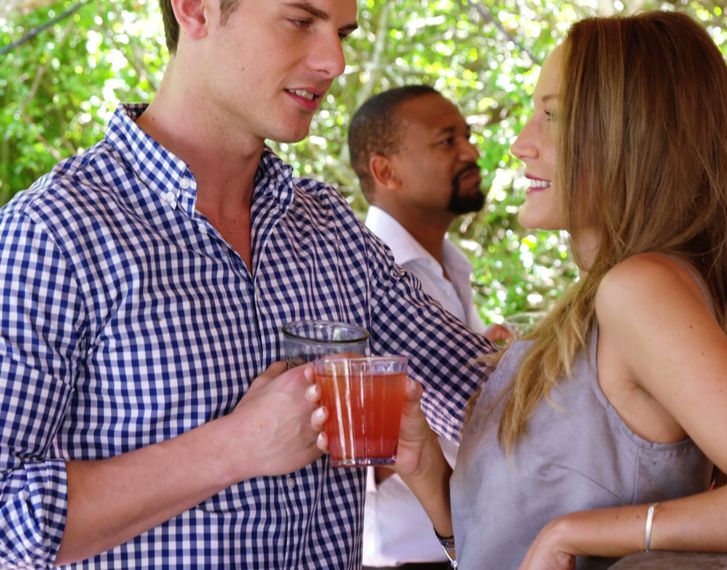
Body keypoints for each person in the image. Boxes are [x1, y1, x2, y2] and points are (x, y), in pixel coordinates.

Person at [0, 1, 492, 567]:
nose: (333, 61)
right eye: (301, 21)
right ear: (196, 11)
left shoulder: (327, 227)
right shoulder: (52, 233)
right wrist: (233, 447)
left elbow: (485, 397)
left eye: (342, 33)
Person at [352, 11, 727, 569]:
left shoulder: (639, 289)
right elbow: (506, 542)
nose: (521, 144)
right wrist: (428, 474)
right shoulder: (606, 297)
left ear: (626, 136)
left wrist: (575, 532)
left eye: (552, 116)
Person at [347, 85, 509, 569]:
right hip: (405, 556)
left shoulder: (451, 265)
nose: (471, 152)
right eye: (446, 141)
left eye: (468, 136)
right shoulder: (357, 277)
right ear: (385, 171)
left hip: (468, 545)